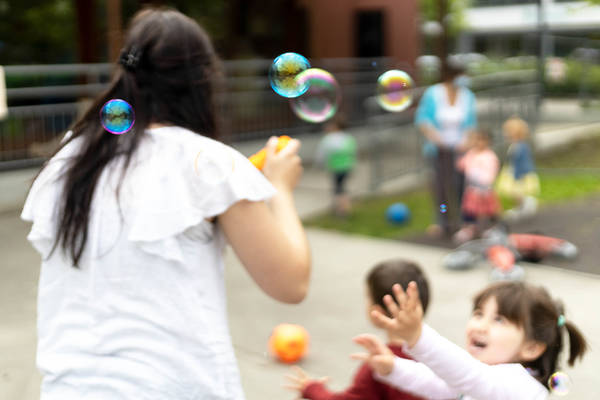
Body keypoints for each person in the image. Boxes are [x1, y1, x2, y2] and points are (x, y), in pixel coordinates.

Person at [20, 7, 311, 399]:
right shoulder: (207, 164)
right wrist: (281, 189)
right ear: (203, 80)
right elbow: (291, 283)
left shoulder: (70, 159)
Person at [353, 281, 587, 400]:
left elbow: (467, 374)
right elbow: (437, 383)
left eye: (499, 320)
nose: (480, 325)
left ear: (531, 347)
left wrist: (418, 337)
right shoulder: (485, 377)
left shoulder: (522, 388)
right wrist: (393, 367)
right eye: (478, 314)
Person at [285, 259, 429, 400]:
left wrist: (312, 389)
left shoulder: (380, 364)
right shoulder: (438, 358)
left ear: (377, 312)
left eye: (368, 297)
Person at [415, 61, 477, 237]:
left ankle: (464, 222)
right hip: (438, 149)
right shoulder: (433, 93)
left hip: (460, 150)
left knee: (461, 186)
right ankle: (442, 222)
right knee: (440, 186)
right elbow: (422, 119)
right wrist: (437, 138)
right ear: (451, 76)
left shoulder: (468, 96)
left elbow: (471, 123)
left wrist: (467, 142)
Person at [454, 129, 501, 244]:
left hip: (484, 190)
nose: (478, 142)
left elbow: (491, 173)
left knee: (486, 211)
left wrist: (484, 181)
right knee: (469, 210)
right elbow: (461, 165)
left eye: (481, 140)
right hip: (472, 189)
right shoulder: (471, 153)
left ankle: (488, 229)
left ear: (488, 142)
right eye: (476, 140)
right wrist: (461, 153)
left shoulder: (490, 156)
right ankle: (469, 228)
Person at [496, 116, 540, 221]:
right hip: (514, 171)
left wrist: (518, 174)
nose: (505, 134)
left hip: (519, 173)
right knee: (516, 193)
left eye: (507, 131)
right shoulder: (515, 145)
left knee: (518, 192)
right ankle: (521, 207)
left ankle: (525, 206)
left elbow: (523, 162)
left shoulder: (520, 147)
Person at [315, 114, 357, 216]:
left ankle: (341, 210)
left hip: (335, 168)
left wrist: (319, 165)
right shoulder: (348, 138)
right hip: (347, 167)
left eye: (330, 125)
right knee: (342, 187)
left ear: (335, 126)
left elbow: (322, 154)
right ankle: (343, 207)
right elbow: (353, 152)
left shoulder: (328, 139)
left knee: (338, 189)